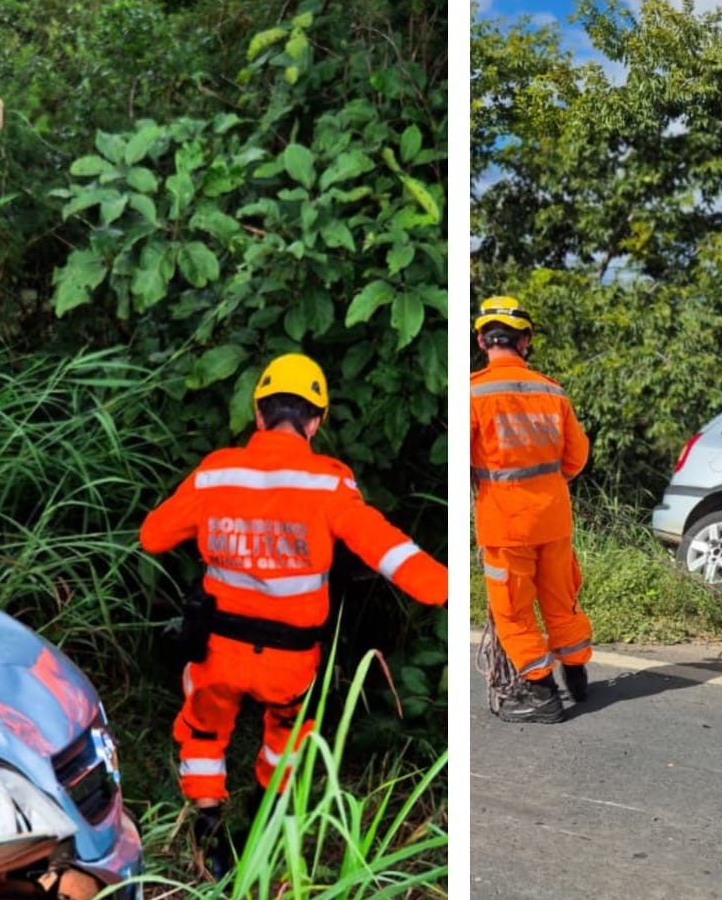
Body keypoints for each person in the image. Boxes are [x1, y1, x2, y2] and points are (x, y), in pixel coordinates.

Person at [140, 352, 447, 870]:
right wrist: (443, 587)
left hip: (216, 651)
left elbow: (152, 536)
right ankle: (265, 824)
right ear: (315, 421)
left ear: (258, 414)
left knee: (203, 729)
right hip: (290, 660)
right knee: (287, 737)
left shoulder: (216, 474)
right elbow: (385, 547)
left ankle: (208, 832)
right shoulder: (328, 483)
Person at [470, 296, 593, 723]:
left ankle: (541, 695)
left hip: (506, 526)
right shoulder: (551, 391)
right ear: (525, 340)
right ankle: (576, 675)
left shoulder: (474, 393)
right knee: (562, 599)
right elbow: (576, 458)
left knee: (514, 610)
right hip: (554, 519)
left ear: (484, 340)